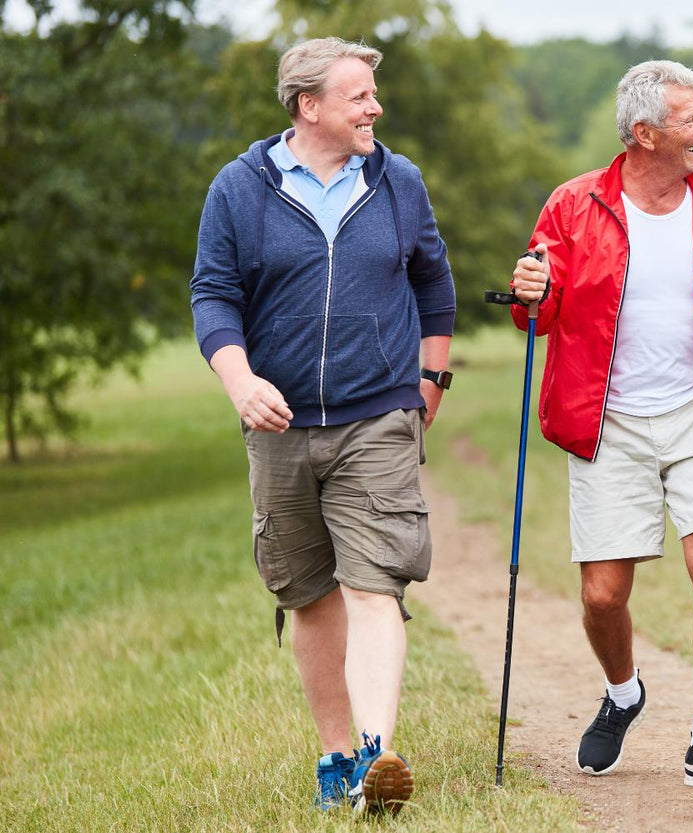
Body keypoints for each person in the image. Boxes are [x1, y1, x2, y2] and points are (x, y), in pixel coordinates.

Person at [189, 37, 455, 814]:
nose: (376, 107)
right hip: (279, 426)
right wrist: (240, 381)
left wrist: (428, 382)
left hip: (377, 414)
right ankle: (337, 757)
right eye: (360, 96)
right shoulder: (240, 189)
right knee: (308, 595)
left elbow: (433, 284)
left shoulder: (397, 181)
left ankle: (378, 753)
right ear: (309, 106)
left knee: (377, 585)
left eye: (373, 94)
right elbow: (213, 296)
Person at [506, 60, 693, 791]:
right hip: (606, 419)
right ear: (645, 133)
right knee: (603, 596)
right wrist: (532, 289)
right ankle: (624, 692)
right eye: (691, 119)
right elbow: (538, 313)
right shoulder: (572, 205)